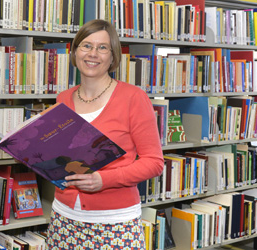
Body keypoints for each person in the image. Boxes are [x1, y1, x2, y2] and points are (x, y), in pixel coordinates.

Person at [47, 19, 164, 249]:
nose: (93, 53)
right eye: (86, 45)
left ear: (113, 56)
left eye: (102, 47)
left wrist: (104, 180)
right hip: (63, 217)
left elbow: (154, 162)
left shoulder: (133, 98)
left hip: (114, 221)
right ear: (75, 51)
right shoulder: (63, 98)